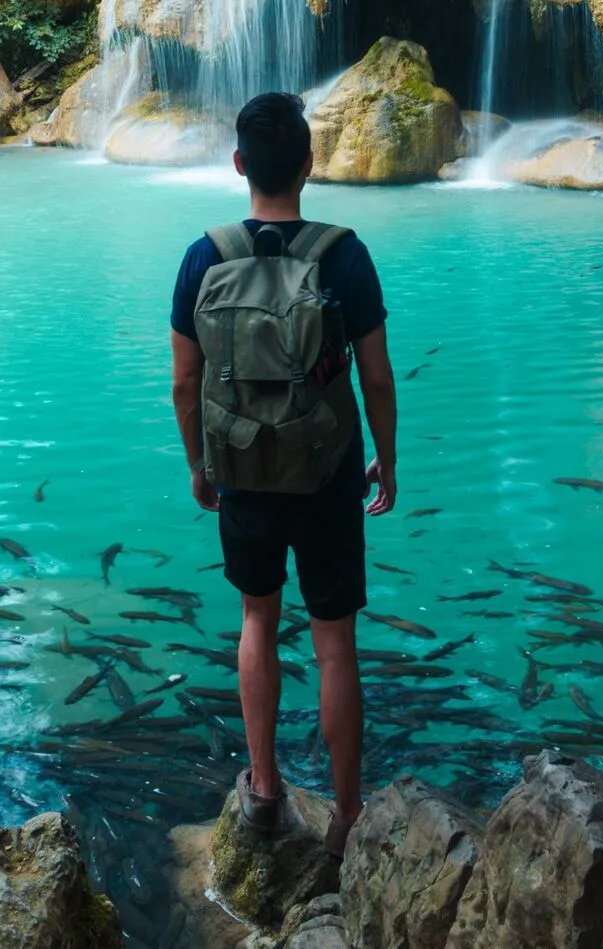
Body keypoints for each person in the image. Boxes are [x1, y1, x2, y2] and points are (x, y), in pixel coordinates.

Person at [168, 91, 397, 857]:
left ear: (239, 165)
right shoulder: (344, 254)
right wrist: (385, 462)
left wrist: (201, 466)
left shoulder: (204, 256)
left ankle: (263, 791)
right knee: (335, 642)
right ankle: (348, 815)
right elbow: (377, 378)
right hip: (327, 470)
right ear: (309, 163)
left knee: (257, 620)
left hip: (242, 469)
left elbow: (184, 381)